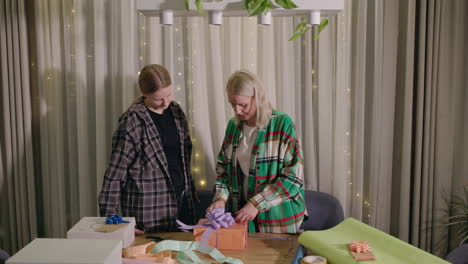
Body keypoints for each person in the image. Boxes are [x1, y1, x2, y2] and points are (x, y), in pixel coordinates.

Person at [98, 64, 196, 233]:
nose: (166, 103)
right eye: (158, 99)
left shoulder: (176, 112)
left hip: (182, 207)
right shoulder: (132, 121)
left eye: (169, 95)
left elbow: (183, 160)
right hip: (148, 214)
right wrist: (113, 221)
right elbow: (115, 175)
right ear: (144, 93)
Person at [207, 70, 307, 233]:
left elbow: (293, 178)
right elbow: (223, 169)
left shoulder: (283, 124)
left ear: (258, 97)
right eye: (233, 104)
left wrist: (256, 204)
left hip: (278, 219)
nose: (237, 111)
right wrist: (220, 198)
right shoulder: (234, 126)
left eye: (243, 105)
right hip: (244, 218)